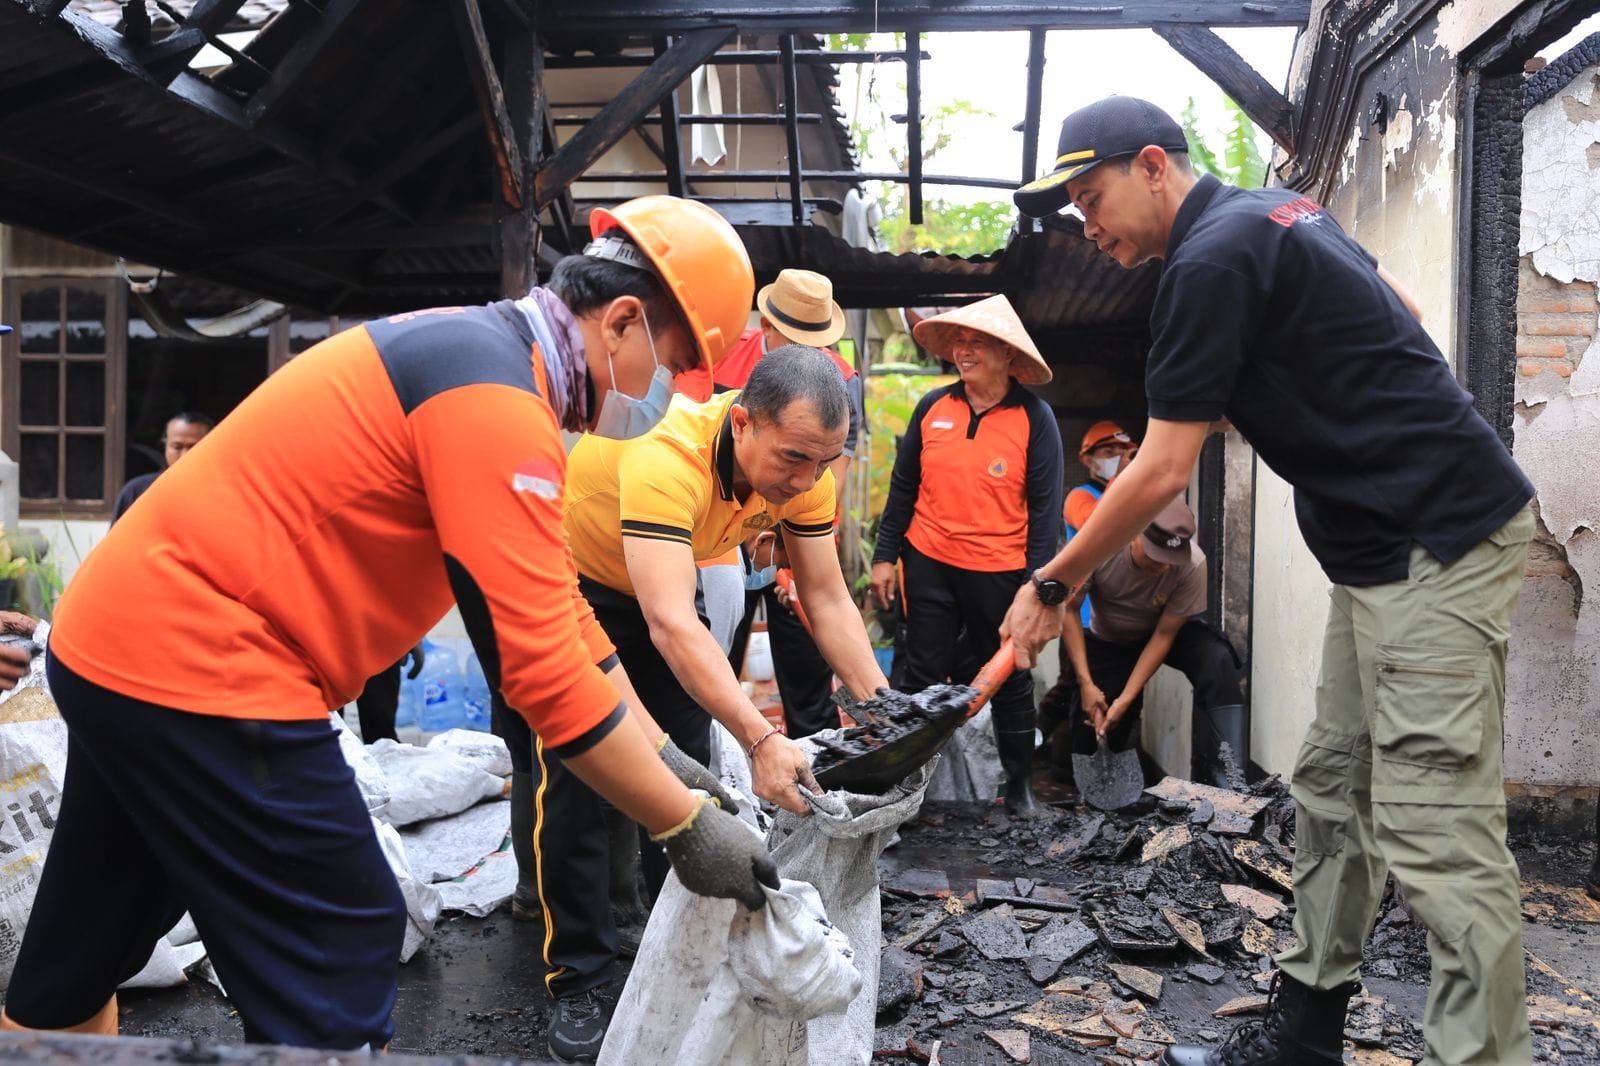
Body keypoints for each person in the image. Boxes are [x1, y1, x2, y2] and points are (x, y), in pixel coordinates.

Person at [1, 195, 777, 1053]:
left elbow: (560, 608)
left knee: (91, 936)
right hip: (205, 658)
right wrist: (684, 826)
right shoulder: (494, 396)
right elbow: (546, 675)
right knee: (343, 923)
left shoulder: (479, 355)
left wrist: (665, 755)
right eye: (674, 363)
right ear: (625, 321)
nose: (669, 393)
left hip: (117, 645)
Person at [1009, 96, 1535, 1065]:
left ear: (1155, 166)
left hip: (1437, 541)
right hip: (1377, 548)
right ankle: (1303, 1036)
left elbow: (1161, 470)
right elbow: (1402, 316)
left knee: (1435, 831)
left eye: (1092, 199)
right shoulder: (1281, 215)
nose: (1087, 229)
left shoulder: (1208, 263)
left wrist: (1051, 585)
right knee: (1333, 790)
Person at [528, 344, 890, 1054]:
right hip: (581, 582)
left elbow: (825, 595)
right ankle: (579, 975)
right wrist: (761, 739)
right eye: (793, 459)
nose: (809, 479)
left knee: (690, 770)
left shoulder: (806, 465)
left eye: (824, 462)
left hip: (665, 576)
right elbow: (668, 624)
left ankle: (679, 947)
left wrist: (886, 713)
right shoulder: (668, 455)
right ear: (743, 424)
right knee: (580, 769)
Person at [869, 295, 1064, 816]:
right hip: (928, 562)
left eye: (977, 342)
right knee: (920, 678)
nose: (964, 350)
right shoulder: (933, 407)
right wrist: (885, 556)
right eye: (959, 341)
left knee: (1008, 676)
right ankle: (910, 795)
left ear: (1007, 356)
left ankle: (1020, 789)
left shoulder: (1034, 419)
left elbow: (1045, 512)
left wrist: (1037, 585)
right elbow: (903, 486)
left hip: (1000, 573)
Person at [695, 267, 863, 739]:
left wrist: (797, 536)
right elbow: (708, 448)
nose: (806, 355)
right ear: (767, 326)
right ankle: (725, 758)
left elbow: (832, 468)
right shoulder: (724, 358)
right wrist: (739, 531)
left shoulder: (842, 378)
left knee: (806, 662)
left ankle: (817, 769)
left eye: (814, 343)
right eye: (793, 339)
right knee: (717, 646)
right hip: (718, 532)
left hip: (789, 528)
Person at [1059, 497, 1246, 787]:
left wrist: (1127, 697)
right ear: (1135, 532)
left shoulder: (1192, 564)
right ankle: (1092, 796)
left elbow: (1164, 634)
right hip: (1109, 637)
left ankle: (1232, 781)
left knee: (1216, 659)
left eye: (1170, 560)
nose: (1162, 567)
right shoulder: (1100, 542)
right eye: (1155, 556)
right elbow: (1070, 609)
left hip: (1162, 630)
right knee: (1096, 722)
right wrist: (1086, 683)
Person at [111, 411, 213, 522]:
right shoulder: (137, 492)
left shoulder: (223, 493)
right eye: (177, 447)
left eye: (194, 446)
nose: (185, 455)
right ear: (165, 445)